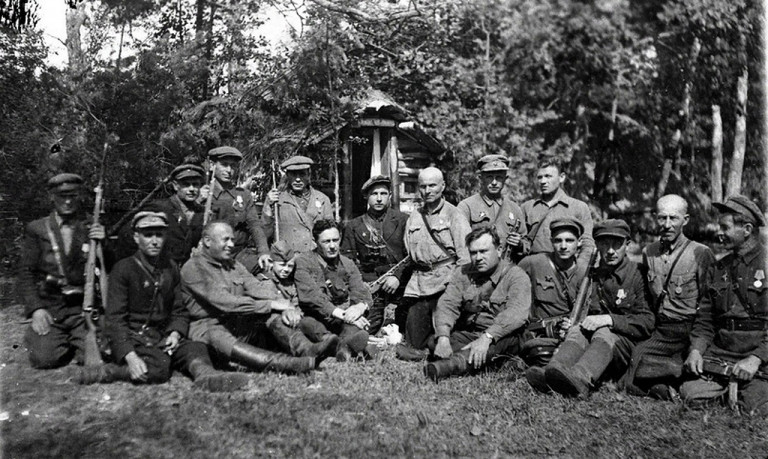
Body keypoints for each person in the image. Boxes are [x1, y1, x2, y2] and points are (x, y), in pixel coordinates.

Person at [77, 212, 249, 391]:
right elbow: (115, 319)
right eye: (148, 235)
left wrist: (175, 333)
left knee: (196, 347)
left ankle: (206, 376)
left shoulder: (170, 267)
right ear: (136, 237)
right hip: (134, 338)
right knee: (159, 368)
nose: (154, 241)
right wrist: (129, 356)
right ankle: (109, 372)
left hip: (161, 337)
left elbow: (179, 310)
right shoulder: (123, 269)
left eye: (159, 235)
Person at [181, 221, 316, 374]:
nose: (232, 244)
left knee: (270, 313)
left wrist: (285, 305)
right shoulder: (193, 267)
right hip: (209, 329)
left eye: (232, 239)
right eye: (226, 240)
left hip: (237, 325)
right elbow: (226, 303)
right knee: (220, 332)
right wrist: (271, 304)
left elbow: (256, 287)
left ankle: (307, 349)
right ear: (207, 241)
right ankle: (286, 364)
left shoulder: (234, 265)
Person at [538, 219, 654, 397]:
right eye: (604, 244)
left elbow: (647, 322)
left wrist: (609, 320)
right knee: (578, 330)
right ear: (597, 245)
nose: (610, 251)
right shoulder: (594, 276)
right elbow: (587, 312)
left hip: (626, 347)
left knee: (603, 331)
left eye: (617, 244)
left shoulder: (638, 274)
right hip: (598, 350)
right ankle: (552, 371)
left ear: (628, 245)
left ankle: (580, 380)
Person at [620, 194, 715, 399]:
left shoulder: (700, 253)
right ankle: (665, 383)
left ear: (686, 220)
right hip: (662, 329)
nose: (667, 224)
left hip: (689, 328)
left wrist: (698, 341)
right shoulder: (649, 252)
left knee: (685, 364)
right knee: (634, 362)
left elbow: (709, 303)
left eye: (674, 218)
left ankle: (671, 373)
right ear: (656, 218)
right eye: (662, 218)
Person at [681, 195, 768, 415]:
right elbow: (705, 319)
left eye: (725, 227)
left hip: (759, 354)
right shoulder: (719, 268)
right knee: (689, 392)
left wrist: (757, 358)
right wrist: (696, 350)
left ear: (746, 229)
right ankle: (734, 388)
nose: (719, 233)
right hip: (723, 354)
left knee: (751, 407)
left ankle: (743, 391)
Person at [20, 173, 105, 369]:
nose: (67, 201)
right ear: (51, 196)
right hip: (51, 307)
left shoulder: (91, 224)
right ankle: (54, 339)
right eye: (62, 196)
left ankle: (77, 341)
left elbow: (109, 266)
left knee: (102, 353)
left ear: (80, 196)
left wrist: (104, 243)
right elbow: (26, 273)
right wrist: (36, 309)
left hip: (82, 308)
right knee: (44, 359)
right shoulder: (37, 229)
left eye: (73, 196)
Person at [424, 226, 531, 382]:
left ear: (499, 250)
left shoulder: (516, 276)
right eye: (473, 253)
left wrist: (487, 338)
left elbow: (516, 315)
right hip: (472, 333)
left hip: (503, 335)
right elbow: (448, 304)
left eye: (484, 251)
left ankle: (449, 366)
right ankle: (483, 360)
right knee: (435, 340)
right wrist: (444, 338)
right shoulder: (463, 272)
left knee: (493, 348)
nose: (478, 257)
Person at [397, 167, 471, 361]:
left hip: (446, 282)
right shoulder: (414, 216)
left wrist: (456, 285)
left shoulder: (454, 214)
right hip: (419, 284)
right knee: (413, 343)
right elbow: (409, 251)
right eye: (422, 186)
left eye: (432, 185)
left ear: (443, 186)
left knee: (445, 330)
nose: (427, 190)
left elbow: (465, 256)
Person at [518, 218, 588, 390]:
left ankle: (552, 375)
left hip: (569, 333)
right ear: (551, 242)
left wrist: (575, 324)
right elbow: (513, 287)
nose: (563, 246)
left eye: (569, 240)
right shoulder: (534, 263)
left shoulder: (584, 271)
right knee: (539, 350)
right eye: (558, 240)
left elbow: (587, 308)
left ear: (579, 243)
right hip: (540, 334)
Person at [294, 219, 373, 361]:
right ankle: (343, 346)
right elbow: (312, 297)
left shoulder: (347, 263)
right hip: (316, 316)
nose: (332, 246)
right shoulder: (303, 261)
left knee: (354, 324)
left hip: (340, 320)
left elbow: (361, 291)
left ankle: (342, 347)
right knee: (309, 324)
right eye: (326, 241)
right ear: (315, 241)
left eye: (335, 240)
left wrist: (359, 307)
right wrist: (346, 315)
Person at [341, 175, 410, 335]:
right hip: (371, 285)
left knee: (408, 328)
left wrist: (397, 277)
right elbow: (347, 260)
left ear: (390, 196)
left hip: (399, 284)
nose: (379, 199)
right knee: (366, 328)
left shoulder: (404, 221)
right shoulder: (354, 225)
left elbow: (412, 255)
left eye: (383, 194)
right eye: (374, 194)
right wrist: (359, 285)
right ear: (366, 196)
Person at [253, 240, 340, 360]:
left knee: (308, 321)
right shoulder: (264, 281)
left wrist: (297, 313)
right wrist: (287, 311)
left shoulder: (290, 283)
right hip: (270, 330)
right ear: (272, 263)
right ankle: (307, 350)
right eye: (282, 265)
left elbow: (296, 303)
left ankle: (329, 341)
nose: (286, 270)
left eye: (290, 266)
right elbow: (270, 303)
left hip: (292, 321)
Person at [116, 163, 205, 264]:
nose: (192, 189)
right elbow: (127, 235)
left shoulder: (202, 213)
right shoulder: (158, 208)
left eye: (195, 184)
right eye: (186, 185)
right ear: (176, 186)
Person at [200, 146, 269, 270]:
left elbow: (254, 225)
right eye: (224, 165)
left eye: (233, 166)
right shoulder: (202, 195)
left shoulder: (243, 195)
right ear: (212, 165)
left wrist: (263, 252)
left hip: (238, 255)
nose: (229, 170)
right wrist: (199, 201)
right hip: (210, 255)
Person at [521, 159, 594, 268]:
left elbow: (587, 244)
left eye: (548, 176)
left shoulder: (578, 207)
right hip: (535, 268)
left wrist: (579, 269)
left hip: (566, 268)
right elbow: (523, 243)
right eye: (539, 177)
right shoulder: (528, 207)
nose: (543, 181)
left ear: (562, 177)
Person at [457, 155, 525, 261]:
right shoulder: (467, 206)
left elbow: (526, 242)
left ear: (505, 179)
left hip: (506, 270)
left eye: (499, 177)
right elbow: (461, 245)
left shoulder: (514, 208)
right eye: (489, 177)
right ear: (481, 179)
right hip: (478, 268)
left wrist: (520, 244)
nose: (494, 182)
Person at [262, 155, 334, 255]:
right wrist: (267, 206)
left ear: (309, 175)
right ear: (287, 176)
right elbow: (265, 234)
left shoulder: (322, 199)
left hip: (314, 258)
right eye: (293, 175)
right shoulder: (277, 200)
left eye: (302, 174)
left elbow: (330, 233)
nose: (298, 179)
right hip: (287, 259)